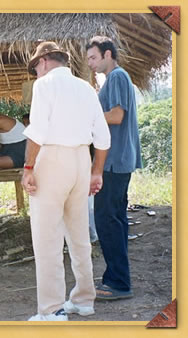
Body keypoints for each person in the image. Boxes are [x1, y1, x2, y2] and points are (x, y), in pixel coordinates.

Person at [22, 41, 110, 321]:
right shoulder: (85, 87)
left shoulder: (44, 85)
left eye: (36, 66)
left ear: (45, 61)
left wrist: (28, 167)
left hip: (52, 158)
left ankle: (51, 309)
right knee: (79, 235)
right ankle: (84, 300)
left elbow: (37, 131)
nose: (36, 72)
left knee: (47, 238)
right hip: (81, 160)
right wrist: (96, 171)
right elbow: (103, 137)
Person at [86, 36, 142, 300]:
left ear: (108, 54)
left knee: (107, 221)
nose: (90, 64)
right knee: (115, 221)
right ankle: (116, 278)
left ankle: (118, 283)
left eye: (93, 58)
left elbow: (117, 116)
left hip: (114, 161)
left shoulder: (118, 77)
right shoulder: (115, 79)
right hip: (118, 161)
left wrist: (87, 117)